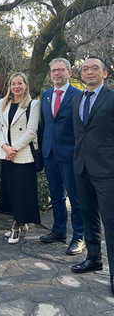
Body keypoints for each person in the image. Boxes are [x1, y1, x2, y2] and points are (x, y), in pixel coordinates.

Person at [71, 57, 114, 296]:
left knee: (112, 222)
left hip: (108, 170)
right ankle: (94, 258)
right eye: (85, 68)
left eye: (94, 68)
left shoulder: (111, 98)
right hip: (82, 169)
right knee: (89, 216)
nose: (88, 72)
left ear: (104, 73)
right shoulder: (77, 98)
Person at [39, 58, 84, 255]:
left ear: (69, 72)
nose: (57, 74)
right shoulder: (46, 95)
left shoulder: (79, 95)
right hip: (50, 154)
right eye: (54, 71)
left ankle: (79, 236)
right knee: (56, 196)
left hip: (70, 154)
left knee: (75, 198)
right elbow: (44, 126)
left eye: (60, 70)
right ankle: (58, 231)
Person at [0, 72, 41, 244]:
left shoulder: (33, 104)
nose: (16, 87)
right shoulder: (3, 102)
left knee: (23, 193)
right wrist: (5, 147)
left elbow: (31, 131)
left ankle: (16, 226)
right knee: (11, 192)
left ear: (25, 85)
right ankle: (19, 222)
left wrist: (14, 148)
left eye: (20, 83)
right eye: (13, 84)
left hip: (23, 155)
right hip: (6, 154)